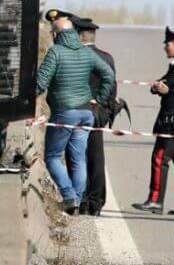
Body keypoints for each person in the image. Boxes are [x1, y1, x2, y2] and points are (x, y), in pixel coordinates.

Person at [35, 13, 115, 214]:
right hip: (86, 113)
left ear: (56, 34)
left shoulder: (56, 52)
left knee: (52, 157)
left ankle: (69, 196)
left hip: (65, 112)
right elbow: (109, 74)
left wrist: (23, 101)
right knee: (79, 158)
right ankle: (76, 203)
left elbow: (40, 83)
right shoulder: (86, 53)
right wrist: (100, 99)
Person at [131, 28, 174, 215]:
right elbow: (159, 85)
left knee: (159, 158)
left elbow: (163, 86)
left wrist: (160, 87)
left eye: (167, 44)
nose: (165, 47)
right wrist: (158, 87)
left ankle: (155, 200)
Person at [73, 17, 118, 216]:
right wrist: (105, 113)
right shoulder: (106, 57)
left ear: (80, 36)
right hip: (97, 114)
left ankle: (81, 200)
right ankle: (96, 203)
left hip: (76, 113)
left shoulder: (75, 56)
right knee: (96, 158)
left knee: (76, 157)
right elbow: (112, 91)